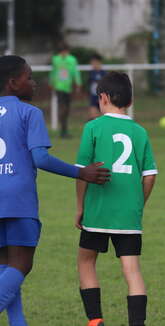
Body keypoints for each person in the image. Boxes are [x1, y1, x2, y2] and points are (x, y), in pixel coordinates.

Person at [0, 55, 110, 326]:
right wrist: (81, 172)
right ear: (13, 83)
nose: (34, 83)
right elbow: (40, 158)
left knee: (6, 267)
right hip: (18, 198)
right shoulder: (29, 113)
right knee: (21, 264)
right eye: (29, 77)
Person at [75, 71, 157, 326]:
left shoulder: (93, 127)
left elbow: (82, 172)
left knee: (86, 261)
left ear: (103, 97)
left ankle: (95, 319)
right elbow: (150, 175)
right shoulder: (140, 131)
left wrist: (80, 207)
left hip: (97, 210)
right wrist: (138, 203)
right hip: (128, 214)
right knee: (132, 270)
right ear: (130, 102)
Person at [50, 42, 82, 138]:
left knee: (67, 109)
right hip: (59, 87)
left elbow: (75, 72)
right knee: (62, 108)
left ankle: (64, 130)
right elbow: (53, 72)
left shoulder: (72, 60)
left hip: (68, 87)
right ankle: (63, 131)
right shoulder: (56, 59)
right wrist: (51, 83)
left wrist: (78, 83)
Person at [88, 54, 106, 120]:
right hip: (93, 96)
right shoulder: (91, 72)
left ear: (99, 62)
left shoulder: (103, 73)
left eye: (94, 62)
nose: (92, 64)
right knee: (93, 116)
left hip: (101, 97)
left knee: (102, 117)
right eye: (92, 63)